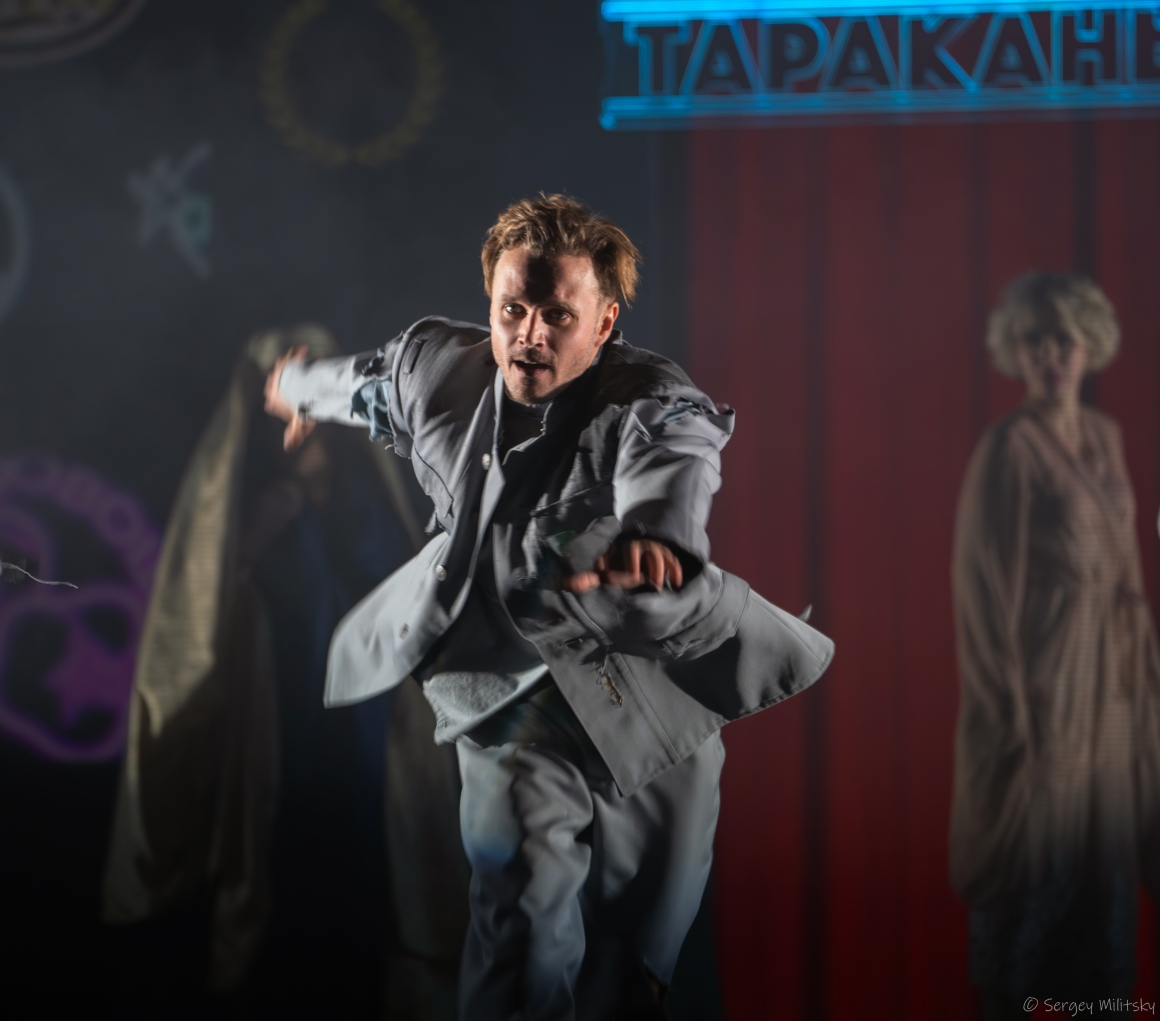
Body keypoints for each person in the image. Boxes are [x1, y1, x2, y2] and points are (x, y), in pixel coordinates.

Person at [264, 194, 834, 1020]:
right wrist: (295, 386)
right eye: (513, 310)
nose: (529, 334)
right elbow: (359, 383)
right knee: (521, 922)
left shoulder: (651, 398)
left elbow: (676, 470)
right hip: (504, 692)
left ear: (604, 323)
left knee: (634, 959)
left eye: (557, 315)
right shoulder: (438, 370)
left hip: (642, 696)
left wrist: (657, 546)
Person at [950, 272, 1160, 1019]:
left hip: (1113, 691)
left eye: (1063, 340)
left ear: (1088, 345)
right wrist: (1013, 713)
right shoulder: (1009, 448)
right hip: (1045, 685)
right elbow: (981, 592)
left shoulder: (1107, 436)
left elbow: (1128, 570)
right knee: (1031, 891)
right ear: (1016, 349)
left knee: (1104, 899)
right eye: (1034, 340)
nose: (1050, 355)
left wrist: (1147, 688)